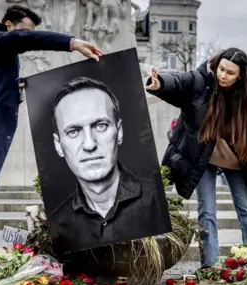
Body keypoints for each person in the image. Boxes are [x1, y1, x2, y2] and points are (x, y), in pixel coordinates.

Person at [0, 5, 102, 260]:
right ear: (9, 25)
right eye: (25, 29)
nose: (27, 37)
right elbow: (21, 39)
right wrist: (72, 42)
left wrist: (17, 87)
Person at [145, 48, 247, 268]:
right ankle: (209, 266)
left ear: (240, 75)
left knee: (246, 209)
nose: (223, 75)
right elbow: (179, 81)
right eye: (221, 69)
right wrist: (159, 84)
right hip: (203, 156)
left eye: (230, 73)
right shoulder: (201, 79)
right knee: (207, 211)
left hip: (238, 157)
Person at [48, 77, 170, 255]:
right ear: (59, 145)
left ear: (119, 132)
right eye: (73, 131)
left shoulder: (157, 204)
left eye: (101, 126)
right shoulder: (57, 222)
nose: (89, 145)